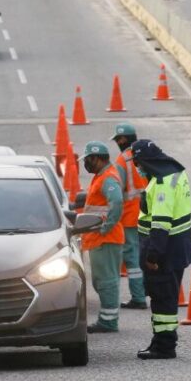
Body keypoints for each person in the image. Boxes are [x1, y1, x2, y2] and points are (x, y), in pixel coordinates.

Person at [131, 139, 191, 360]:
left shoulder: (162, 183)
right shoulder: (176, 172)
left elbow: (160, 222)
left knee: (162, 298)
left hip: (164, 252)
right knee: (167, 297)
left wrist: (152, 256)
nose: (136, 167)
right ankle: (161, 341)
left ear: (145, 161)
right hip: (178, 247)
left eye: (137, 163)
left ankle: (164, 346)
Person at [80, 141, 125, 334]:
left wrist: (106, 228)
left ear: (97, 158)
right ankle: (108, 318)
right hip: (99, 238)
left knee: (106, 281)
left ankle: (108, 321)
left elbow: (116, 202)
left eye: (88, 159)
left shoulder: (108, 178)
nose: (86, 163)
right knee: (101, 281)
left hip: (106, 238)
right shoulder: (101, 177)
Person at [110, 123, 149, 310]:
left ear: (122, 139)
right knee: (149, 254)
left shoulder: (122, 160)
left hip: (130, 215)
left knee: (133, 259)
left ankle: (139, 297)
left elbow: (117, 189)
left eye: (118, 139)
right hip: (150, 213)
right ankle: (151, 291)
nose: (117, 142)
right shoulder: (146, 153)